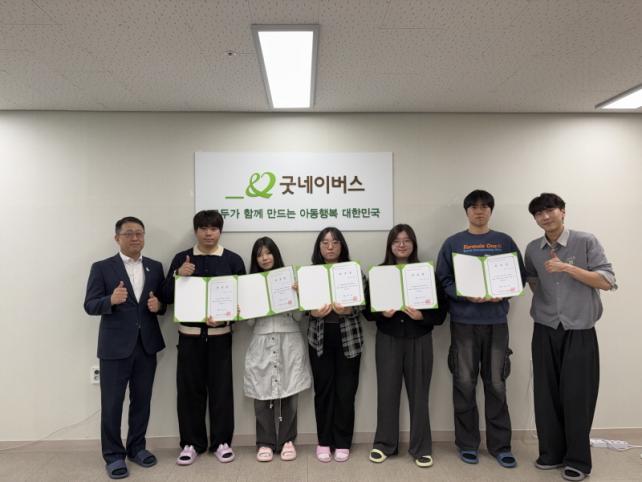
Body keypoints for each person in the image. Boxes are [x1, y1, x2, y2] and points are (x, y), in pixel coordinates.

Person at [524, 193, 616, 482]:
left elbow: (607, 281)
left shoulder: (585, 241)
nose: (545, 217)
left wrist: (568, 268)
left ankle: (577, 460)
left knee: (578, 395)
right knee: (545, 393)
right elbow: (533, 281)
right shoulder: (533, 249)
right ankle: (551, 453)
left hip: (580, 328)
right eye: (539, 213)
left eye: (550, 210)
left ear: (562, 212)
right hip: (545, 327)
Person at [436, 189, 525, 468]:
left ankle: (500, 446)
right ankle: (467, 444)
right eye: (474, 207)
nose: (479, 211)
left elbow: (519, 277)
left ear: (491, 211)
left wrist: (504, 293)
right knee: (464, 383)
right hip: (464, 323)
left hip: (496, 322)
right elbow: (443, 280)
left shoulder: (504, 241)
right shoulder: (453, 243)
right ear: (466, 211)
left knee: (497, 384)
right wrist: (464, 294)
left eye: (485, 206)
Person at [161, 210, 246, 466]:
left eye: (214, 228)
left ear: (220, 231)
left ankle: (221, 443)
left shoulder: (232, 260)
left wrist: (227, 319)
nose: (209, 233)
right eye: (203, 228)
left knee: (221, 390)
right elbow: (165, 296)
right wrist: (179, 275)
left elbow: (244, 301)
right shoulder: (182, 258)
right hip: (189, 337)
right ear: (196, 230)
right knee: (189, 392)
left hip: (221, 336)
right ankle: (191, 444)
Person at [84, 216, 166, 480]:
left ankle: (137, 448)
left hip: (146, 346)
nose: (135, 238)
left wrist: (159, 306)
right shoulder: (102, 268)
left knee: (142, 401)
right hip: (114, 348)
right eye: (129, 233)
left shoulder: (155, 267)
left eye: (139, 233)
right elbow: (90, 305)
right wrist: (110, 299)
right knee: (111, 404)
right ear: (117, 237)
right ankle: (113, 455)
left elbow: (162, 302)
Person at [366, 224, 448, 468]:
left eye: (406, 240)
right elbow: (367, 311)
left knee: (420, 394)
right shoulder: (379, 273)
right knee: (387, 393)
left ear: (413, 244)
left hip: (419, 339)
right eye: (396, 241)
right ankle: (384, 444)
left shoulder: (426, 273)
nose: (401, 245)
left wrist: (422, 316)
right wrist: (382, 313)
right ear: (389, 245)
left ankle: (421, 447)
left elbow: (442, 312)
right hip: (388, 339)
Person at [243, 237, 312, 462]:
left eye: (268, 253)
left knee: (289, 392)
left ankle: (287, 440)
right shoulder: (250, 282)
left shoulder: (289, 278)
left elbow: (299, 317)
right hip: (261, 339)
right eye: (259, 254)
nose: (264, 258)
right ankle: (264, 442)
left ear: (275, 254)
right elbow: (250, 323)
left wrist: (298, 295)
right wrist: (245, 305)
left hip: (289, 339)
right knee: (261, 392)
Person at [307, 227, 364, 463]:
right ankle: (324, 441)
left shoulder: (353, 271)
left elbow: (364, 303)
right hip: (319, 338)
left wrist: (349, 309)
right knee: (323, 391)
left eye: (335, 242)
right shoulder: (310, 273)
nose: (330, 247)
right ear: (319, 247)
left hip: (348, 338)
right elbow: (303, 306)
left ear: (342, 246)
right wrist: (311, 311)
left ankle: (342, 442)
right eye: (325, 242)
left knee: (346, 392)